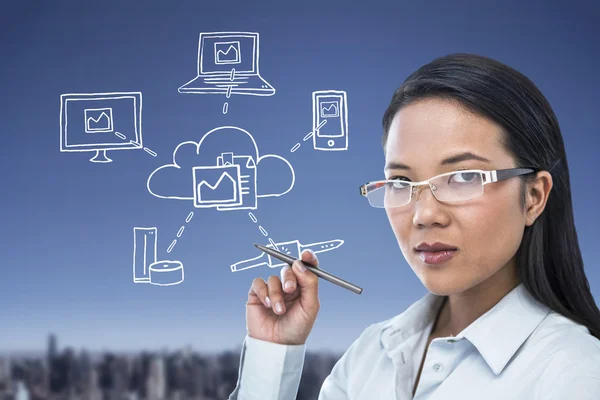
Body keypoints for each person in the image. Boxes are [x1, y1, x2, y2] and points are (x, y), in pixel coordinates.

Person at [228, 53, 600, 399]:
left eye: (463, 177)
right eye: (401, 183)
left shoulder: (574, 373)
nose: (424, 215)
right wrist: (274, 353)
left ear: (534, 196)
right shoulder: (371, 355)